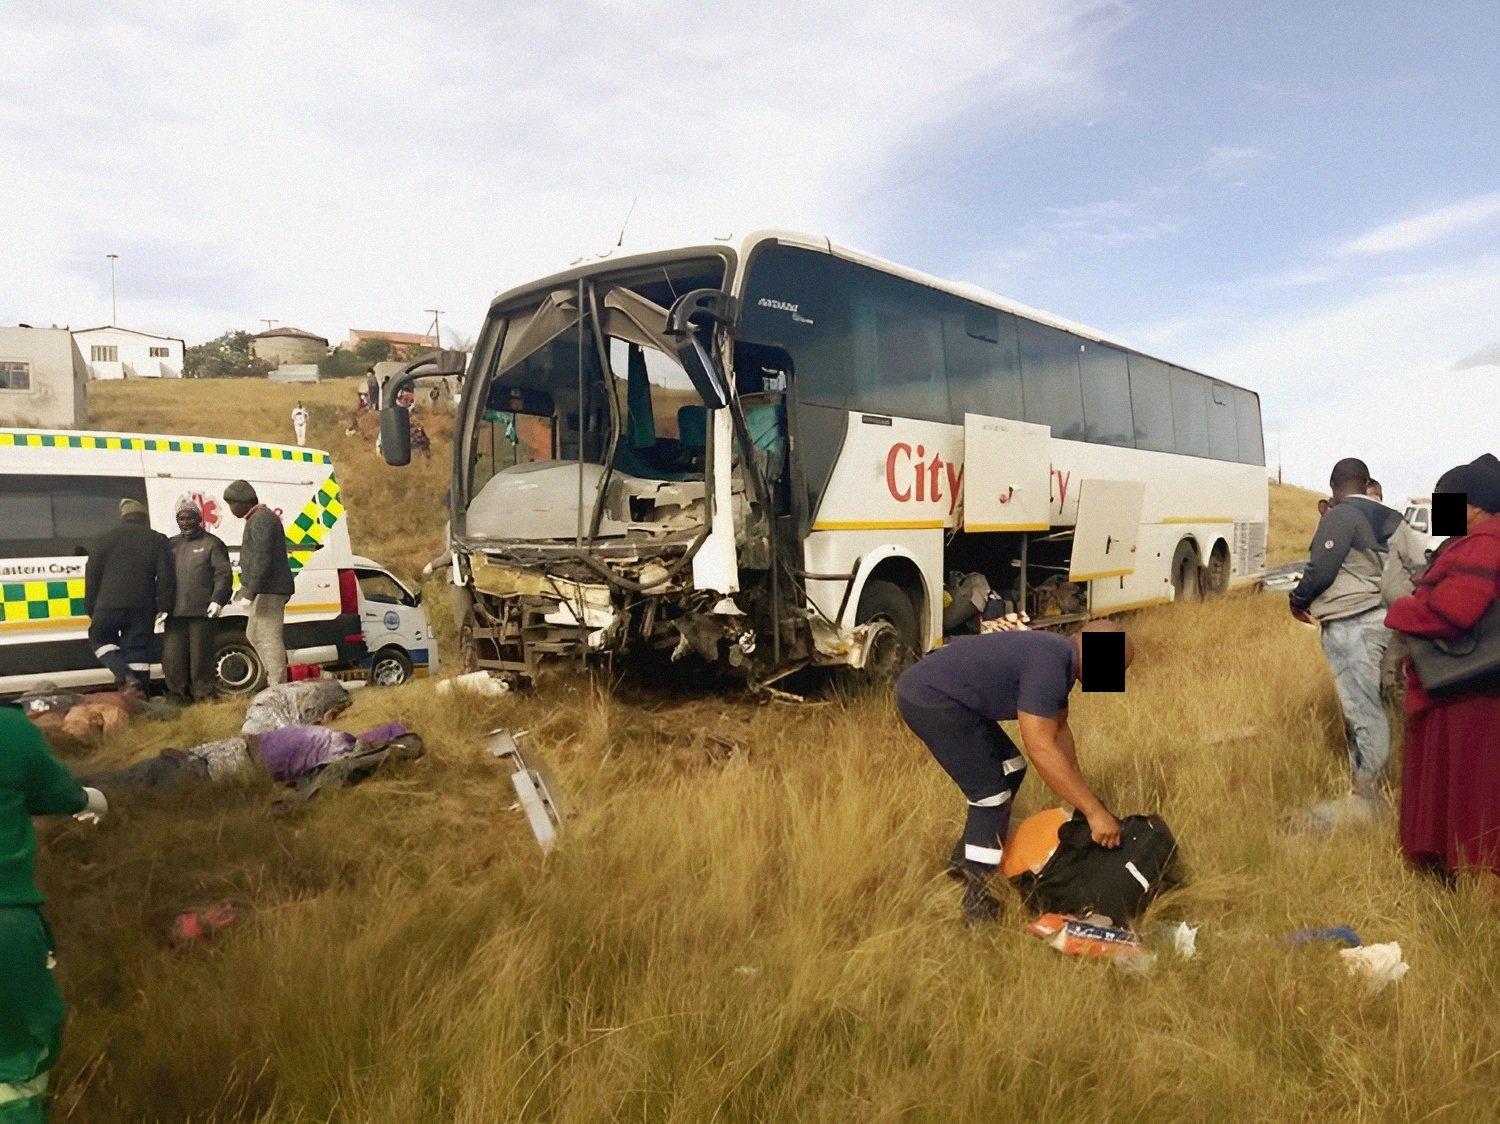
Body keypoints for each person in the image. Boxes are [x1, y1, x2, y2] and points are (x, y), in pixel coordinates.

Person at [896, 619, 1133, 924]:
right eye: (1117, 668)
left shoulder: (1058, 657)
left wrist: (1085, 802)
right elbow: (1041, 748)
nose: (1116, 679)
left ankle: (967, 855)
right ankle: (979, 904)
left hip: (946, 697)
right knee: (991, 796)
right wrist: (1094, 812)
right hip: (930, 699)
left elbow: (1059, 733)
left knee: (1011, 768)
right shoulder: (1050, 666)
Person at [1385, 453, 1500, 883]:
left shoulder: (1485, 542)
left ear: (1472, 504)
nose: (1440, 514)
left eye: (1446, 503)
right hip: (1471, 688)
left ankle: (1468, 878)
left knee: (1470, 790)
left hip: (1468, 692)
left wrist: (1402, 609)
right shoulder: (1478, 539)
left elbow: (1457, 611)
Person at [1, 703, 106, 1120]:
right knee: (14, 1074)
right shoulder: (10, 730)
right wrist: (91, 800)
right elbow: (60, 794)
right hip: (7, 923)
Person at [1288, 458, 1405, 822]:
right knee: (1375, 706)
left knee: (1362, 709)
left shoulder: (1340, 515)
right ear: (1367, 481)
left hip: (1351, 624)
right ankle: (1375, 784)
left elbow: (1321, 569)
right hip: (1384, 620)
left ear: (1334, 483)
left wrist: (1297, 600)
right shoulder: (1391, 518)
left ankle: (1368, 797)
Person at [84, 498, 174, 691]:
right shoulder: (157, 539)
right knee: (138, 651)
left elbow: (92, 576)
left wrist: (92, 607)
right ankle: (139, 698)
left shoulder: (103, 539)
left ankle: (123, 673)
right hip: (143, 607)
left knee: (98, 637)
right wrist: (163, 606)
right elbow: (166, 576)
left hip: (108, 604)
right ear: (144, 517)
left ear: (123, 516)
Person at [223, 481, 295, 687]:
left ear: (244, 501)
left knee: (267, 636)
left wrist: (250, 589)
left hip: (268, 590)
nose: (231, 509)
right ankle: (275, 677)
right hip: (265, 589)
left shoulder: (261, 519)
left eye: (232, 504)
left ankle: (278, 685)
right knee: (253, 633)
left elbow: (262, 557)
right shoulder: (258, 518)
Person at [162, 500, 233, 705]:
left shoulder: (212, 543)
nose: (186, 522)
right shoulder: (171, 545)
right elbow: (161, 575)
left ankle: (204, 698)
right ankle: (178, 698)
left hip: (203, 612)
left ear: (199, 519)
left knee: (200, 660)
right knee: (173, 659)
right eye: (181, 518)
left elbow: (223, 575)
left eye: (190, 517)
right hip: (174, 613)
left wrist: (218, 600)